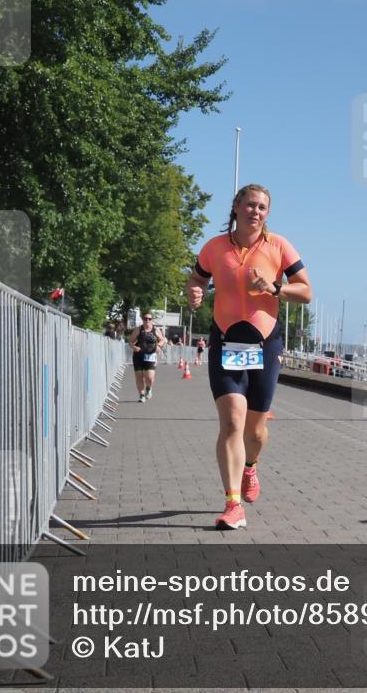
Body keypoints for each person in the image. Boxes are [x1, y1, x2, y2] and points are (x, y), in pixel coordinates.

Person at [186, 184, 311, 530]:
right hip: (226, 342)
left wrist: (273, 288)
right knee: (231, 423)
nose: (256, 211)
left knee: (254, 433)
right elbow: (196, 278)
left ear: (267, 214)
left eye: (262, 207)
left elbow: (306, 291)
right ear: (236, 207)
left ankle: (250, 468)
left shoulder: (279, 246)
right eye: (250, 204)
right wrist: (194, 292)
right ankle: (232, 504)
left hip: (264, 345)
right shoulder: (214, 247)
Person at [129, 313, 165, 403]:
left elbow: (162, 340)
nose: (147, 320)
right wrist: (134, 347)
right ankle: (141, 395)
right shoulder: (138, 329)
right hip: (138, 355)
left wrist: (159, 346)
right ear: (143, 319)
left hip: (150, 356)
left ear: (151, 320)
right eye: (145, 318)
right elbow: (130, 341)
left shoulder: (155, 330)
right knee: (139, 377)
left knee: (149, 377)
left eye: (149, 319)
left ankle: (148, 388)